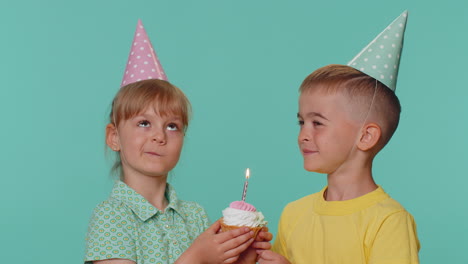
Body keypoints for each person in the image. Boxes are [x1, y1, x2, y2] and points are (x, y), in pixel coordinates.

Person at [84, 20, 271, 264]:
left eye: (172, 126)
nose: (159, 136)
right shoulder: (111, 216)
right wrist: (197, 258)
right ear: (114, 137)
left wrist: (243, 256)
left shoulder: (193, 215)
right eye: (144, 123)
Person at [258, 11, 420, 264]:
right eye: (302, 122)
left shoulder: (389, 221)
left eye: (318, 123)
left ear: (366, 136)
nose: (303, 135)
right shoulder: (293, 214)